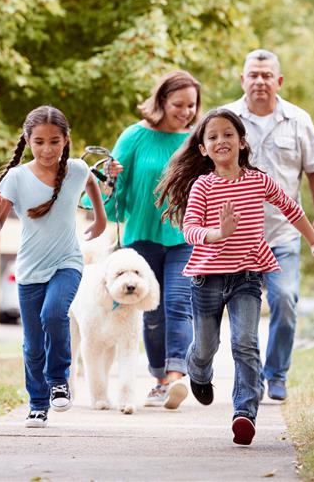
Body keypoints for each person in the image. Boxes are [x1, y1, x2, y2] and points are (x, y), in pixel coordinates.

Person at [155, 108, 314, 445]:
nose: (221, 140)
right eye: (213, 137)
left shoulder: (258, 180)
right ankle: (198, 372)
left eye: (228, 134)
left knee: (245, 343)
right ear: (203, 149)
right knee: (206, 346)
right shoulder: (202, 186)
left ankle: (244, 413)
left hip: (247, 277)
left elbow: (291, 208)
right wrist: (217, 233)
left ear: (241, 141)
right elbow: (190, 228)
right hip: (207, 278)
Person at [0, 105, 107, 428]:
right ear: (27, 140)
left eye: (54, 141)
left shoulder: (76, 169)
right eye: (39, 141)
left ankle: (59, 380)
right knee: (32, 344)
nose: (47, 149)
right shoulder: (16, 178)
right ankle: (38, 403)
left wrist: (99, 218)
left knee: (53, 314)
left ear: (66, 139)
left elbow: (91, 184)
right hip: (29, 270)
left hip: (67, 262)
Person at [222, 49, 314, 402]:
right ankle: (249, 381)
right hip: (238, 238)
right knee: (243, 316)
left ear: (279, 81)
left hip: (284, 233)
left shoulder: (299, 120)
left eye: (266, 75)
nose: (259, 81)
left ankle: (277, 373)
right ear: (242, 80)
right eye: (253, 74)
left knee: (285, 299)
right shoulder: (226, 120)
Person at [100, 70, 202, 409]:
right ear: (161, 101)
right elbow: (113, 191)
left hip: (183, 235)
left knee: (177, 303)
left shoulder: (194, 141)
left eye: (192, 105)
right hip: (141, 237)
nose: (186, 112)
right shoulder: (134, 137)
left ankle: (176, 377)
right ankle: (159, 378)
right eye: (179, 104)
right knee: (152, 311)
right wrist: (108, 181)